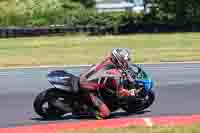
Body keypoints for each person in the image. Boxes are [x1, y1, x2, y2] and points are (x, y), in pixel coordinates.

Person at [78, 48, 136, 119]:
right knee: (106, 114)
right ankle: (86, 109)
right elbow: (119, 93)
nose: (126, 62)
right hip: (87, 88)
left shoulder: (110, 60)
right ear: (118, 60)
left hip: (86, 76)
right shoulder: (115, 75)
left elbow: (124, 70)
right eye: (124, 61)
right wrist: (130, 93)